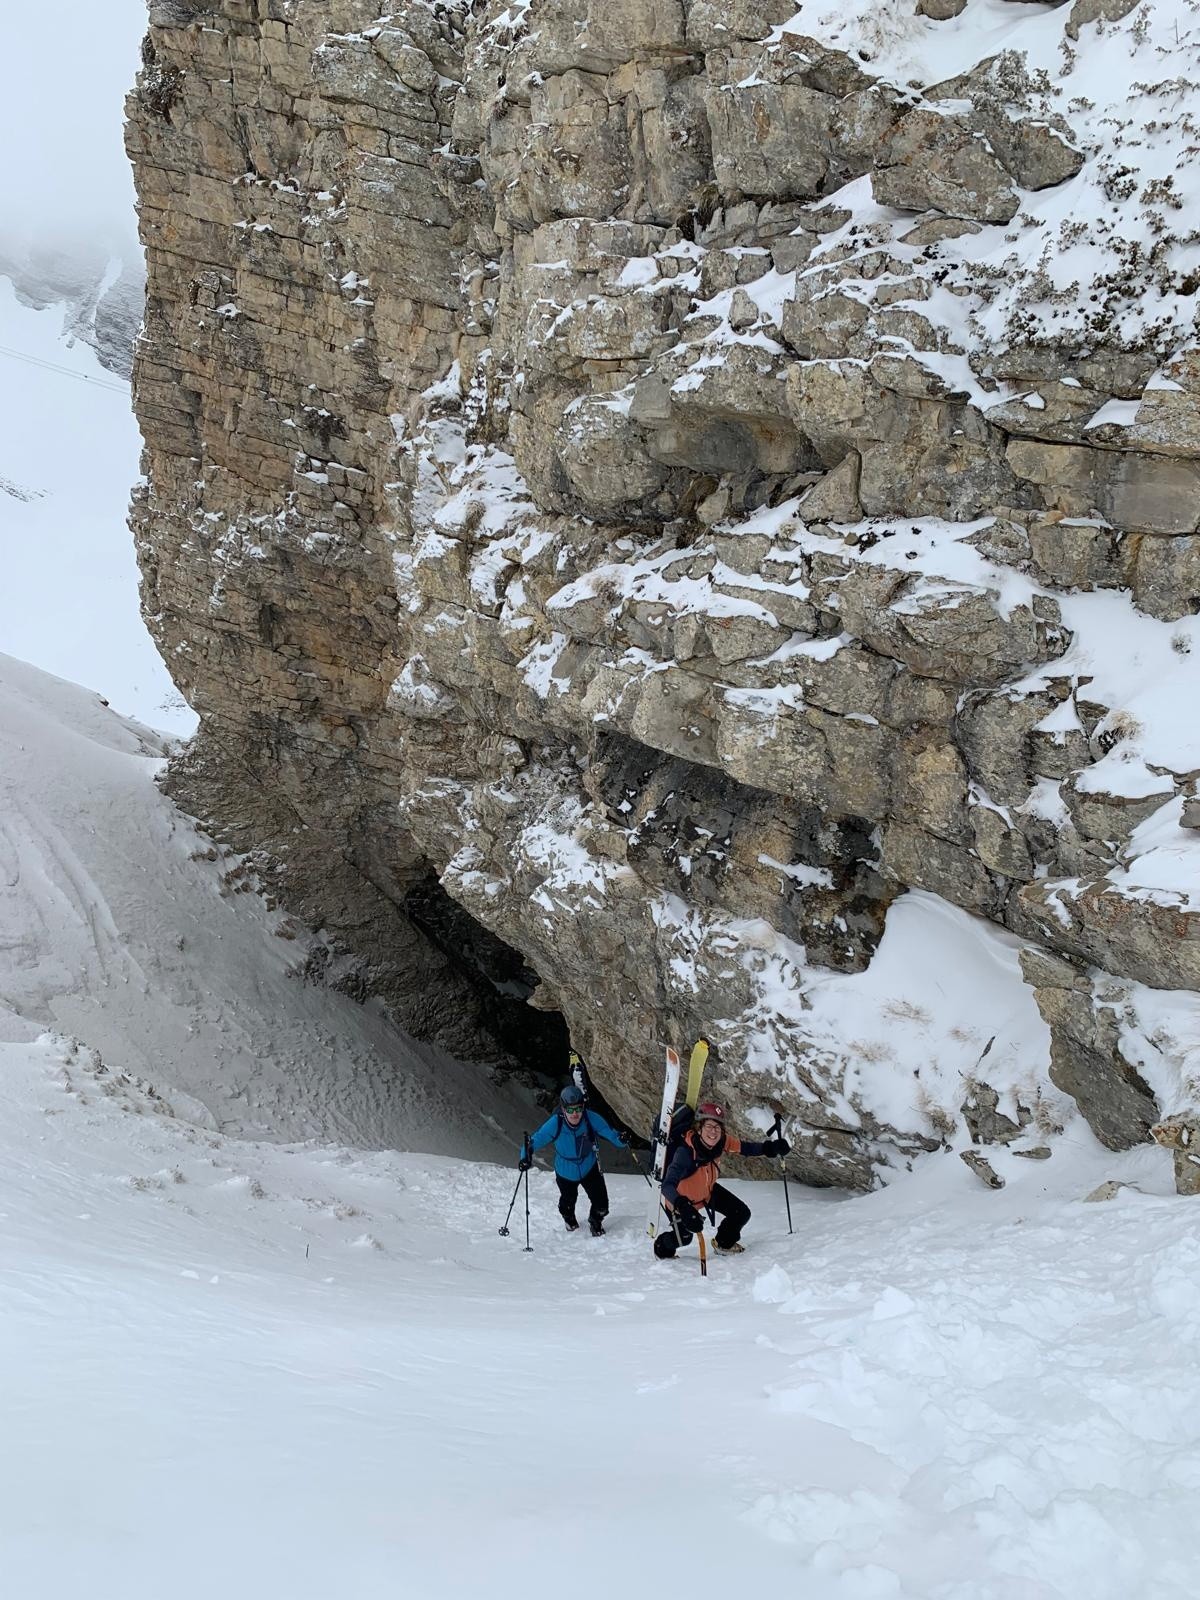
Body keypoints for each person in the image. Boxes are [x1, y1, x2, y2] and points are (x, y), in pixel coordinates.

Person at [655, 1101, 789, 1258]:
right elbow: (667, 1185)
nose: (714, 1131)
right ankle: (661, 1250)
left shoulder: (721, 1142)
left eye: (718, 1127)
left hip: (706, 1192)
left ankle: (723, 1244)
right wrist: (683, 1207)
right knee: (684, 1238)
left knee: (741, 1213)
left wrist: (771, 1148)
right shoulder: (685, 1153)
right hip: (679, 1201)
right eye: (709, 1126)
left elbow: (745, 1148)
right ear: (699, 1129)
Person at [520, 1085, 627, 1236]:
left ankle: (595, 1221)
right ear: (563, 1109)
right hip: (565, 1170)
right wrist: (525, 1157)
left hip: (589, 1166)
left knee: (602, 1204)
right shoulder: (556, 1123)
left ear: (583, 1107)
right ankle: (569, 1219)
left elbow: (610, 1133)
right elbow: (534, 1141)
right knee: (567, 1202)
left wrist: (622, 1139)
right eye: (570, 1110)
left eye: (578, 1108)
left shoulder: (590, 1118)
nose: (575, 1114)